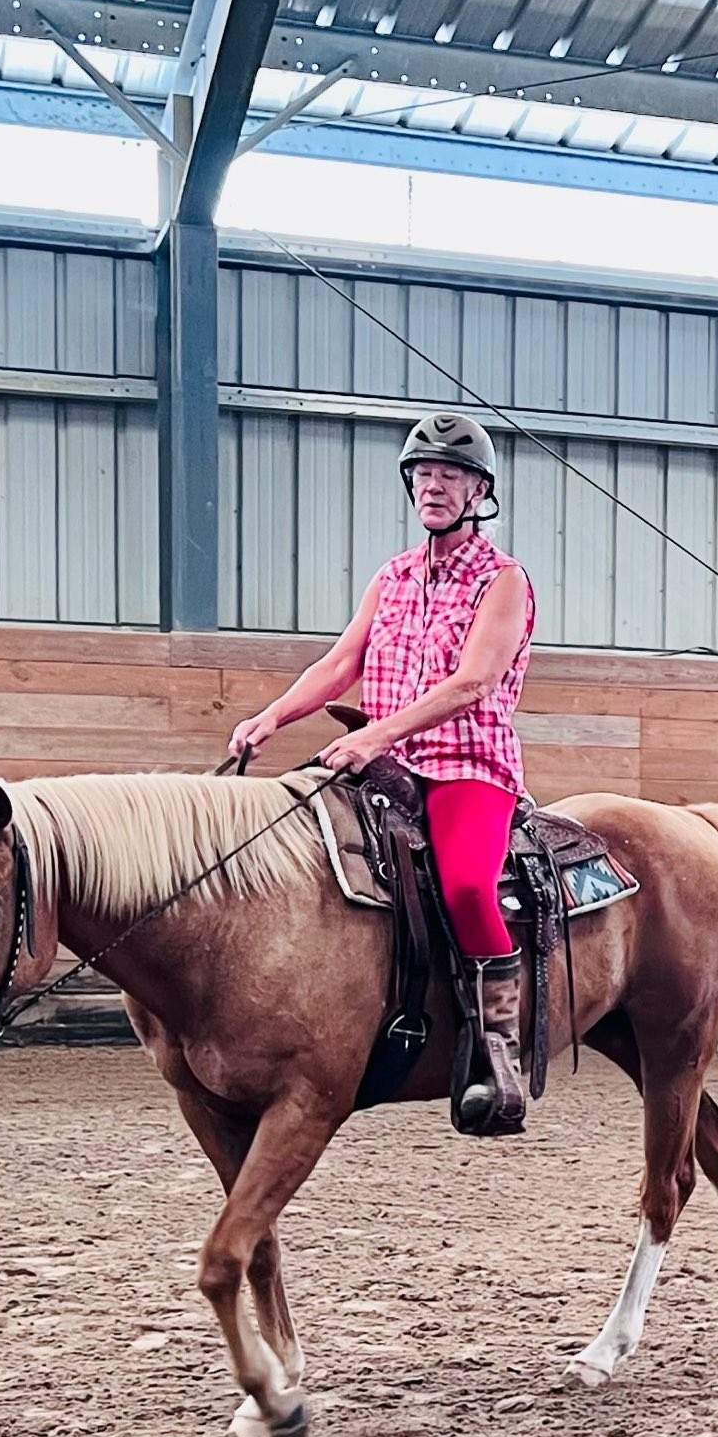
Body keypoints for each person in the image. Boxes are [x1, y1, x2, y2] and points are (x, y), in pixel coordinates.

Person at [228, 412, 537, 1132]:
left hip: (466, 764)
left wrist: (379, 737)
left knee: (464, 884)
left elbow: (473, 682)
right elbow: (340, 665)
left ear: (479, 490)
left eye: (450, 474)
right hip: (387, 756)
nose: (434, 485)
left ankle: (500, 1050)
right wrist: (272, 717)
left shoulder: (503, 581)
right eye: (424, 473)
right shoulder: (392, 577)